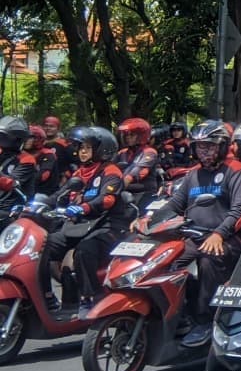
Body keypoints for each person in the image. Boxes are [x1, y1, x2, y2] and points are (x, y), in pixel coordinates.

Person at [147, 120, 241, 348]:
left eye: (209, 146)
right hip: (193, 236)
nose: (203, 152)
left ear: (222, 146)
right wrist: (148, 221)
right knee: (163, 262)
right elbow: (174, 205)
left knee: (208, 262)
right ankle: (179, 314)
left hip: (227, 238)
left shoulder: (237, 171)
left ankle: (205, 320)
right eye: (199, 147)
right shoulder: (193, 174)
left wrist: (219, 234)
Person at [38, 126, 129, 316]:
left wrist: (84, 207)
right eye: (80, 148)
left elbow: (107, 199)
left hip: (106, 227)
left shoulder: (111, 171)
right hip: (79, 227)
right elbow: (60, 194)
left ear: (101, 149)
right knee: (43, 246)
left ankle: (93, 298)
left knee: (84, 252)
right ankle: (48, 297)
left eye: (87, 148)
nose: (82, 152)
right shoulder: (81, 173)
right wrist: (37, 204)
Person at [116, 117, 160, 202]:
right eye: (126, 135)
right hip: (124, 191)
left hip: (142, 193)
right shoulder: (122, 152)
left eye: (132, 135)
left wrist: (120, 185)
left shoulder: (149, 152)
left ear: (141, 135)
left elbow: (137, 171)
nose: (128, 137)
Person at [0, 116, 36, 212]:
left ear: (17, 138)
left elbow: (12, 184)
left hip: (13, 209)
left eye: (3, 136)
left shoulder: (27, 160)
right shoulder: (2, 153)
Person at [26, 125, 59, 196]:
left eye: (31, 137)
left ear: (39, 139)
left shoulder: (48, 154)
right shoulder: (22, 154)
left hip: (44, 192)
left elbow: (43, 175)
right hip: (24, 189)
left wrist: (24, 182)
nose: (27, 140)